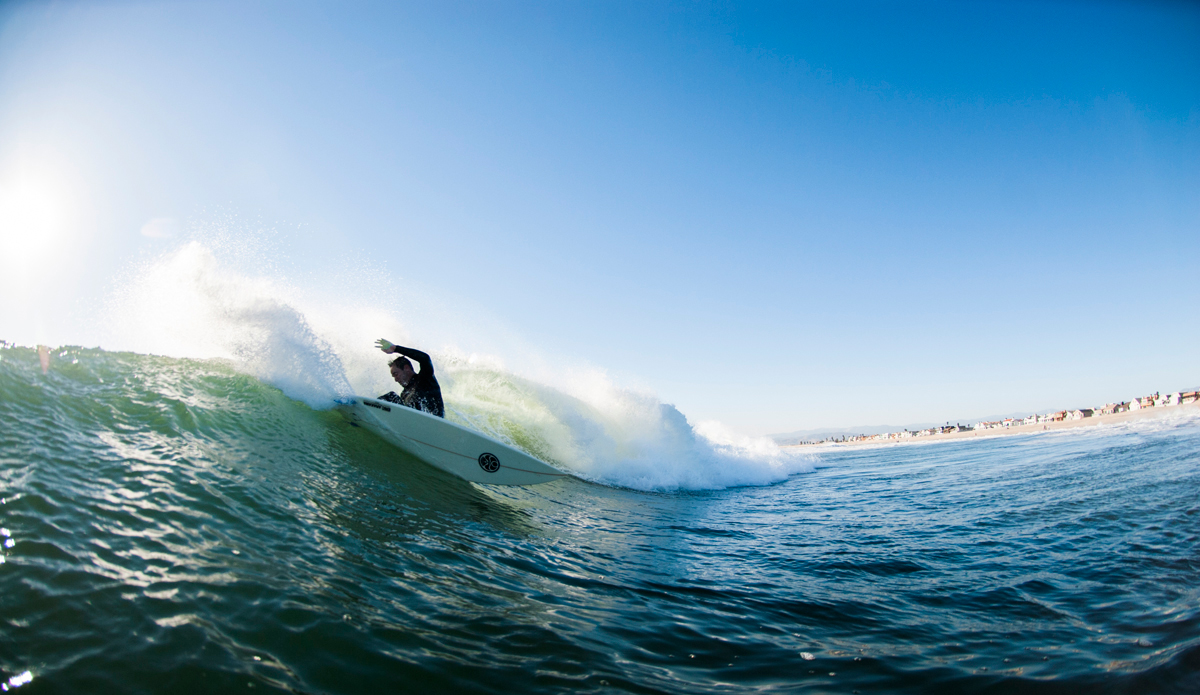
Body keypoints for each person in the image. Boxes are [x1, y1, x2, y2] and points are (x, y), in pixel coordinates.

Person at [374, 339, 445, 418]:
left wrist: (396, 348)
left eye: (396, 374)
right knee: (391, 400)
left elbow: (425, 358)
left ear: (406, 368)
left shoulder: (425, 379)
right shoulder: (404, 394)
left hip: (434, 421)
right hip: (415, 423)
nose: (396, 379)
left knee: (391, 396)